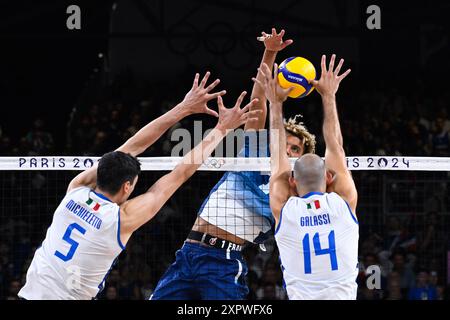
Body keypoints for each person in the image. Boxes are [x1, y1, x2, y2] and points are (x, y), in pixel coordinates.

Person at [18, 72, 259, 300]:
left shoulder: (76, 189)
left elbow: (130, 146)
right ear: (127, 186)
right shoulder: (121, 219)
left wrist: (183, 108)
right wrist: (221, 129)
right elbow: (180, 173)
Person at [151, 28, 316, 300]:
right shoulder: (253, 157)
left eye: (295, 149)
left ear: (301, 161)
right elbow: (256, 107)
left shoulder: (291, 197)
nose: (287, 149)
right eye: (284, 142)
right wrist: (270, 52)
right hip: (187, 254)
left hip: (223, 264)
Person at [257, 54, 358, 300]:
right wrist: (329, 95)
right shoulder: (342, 203)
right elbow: (336, 146)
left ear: (292, 181)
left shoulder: (285, 210)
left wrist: (276, 103)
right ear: (330, 178)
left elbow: (277, 156)